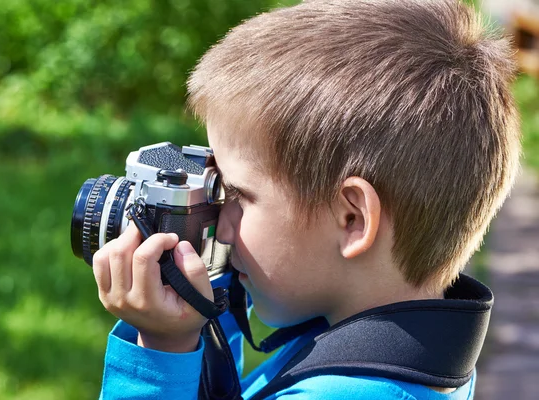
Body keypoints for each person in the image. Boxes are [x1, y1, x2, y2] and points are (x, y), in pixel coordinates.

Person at [91, 0, 521, 398]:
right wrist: (203, 293)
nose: (220, 222)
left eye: (237, 195)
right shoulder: (404, 346)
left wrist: (160, 354)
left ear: (352, 219)